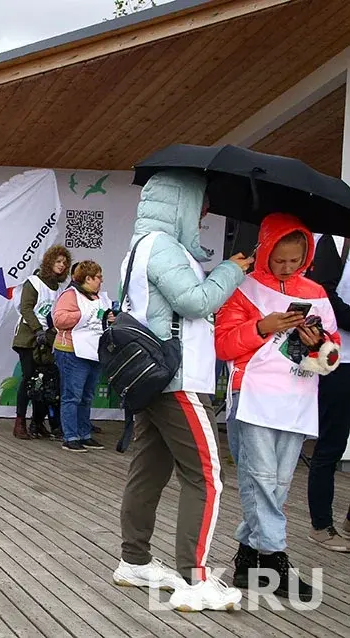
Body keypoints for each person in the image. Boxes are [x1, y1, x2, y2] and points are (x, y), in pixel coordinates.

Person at [111, 171, 252, 613]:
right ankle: (197, 578)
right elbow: (195, 302)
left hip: (153, 379)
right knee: (207, 476)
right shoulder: (164, 246)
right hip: (179, 379)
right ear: (181, 204)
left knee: (148, 469)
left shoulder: (139, 247)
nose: (205, 211)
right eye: (201, 203)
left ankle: (134, 560)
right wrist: (233, 269)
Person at [215, 214, 335, 602]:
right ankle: (275, 556)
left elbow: (331, 354)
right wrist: (263, 326)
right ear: (265, 251)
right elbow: (224, 346)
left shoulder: (316, 292)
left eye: (294, 261)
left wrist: (317, 340)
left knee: (277, 483)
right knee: (261, 479)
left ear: (305, 256)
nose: (286, 267)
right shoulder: (244, 288)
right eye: (280, 259)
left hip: (298, 398)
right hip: (252, 395)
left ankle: (248, 559)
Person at [307, 233, 350, 551]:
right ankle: (321, 524)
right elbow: (325, 297)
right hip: (337, 359)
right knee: (330, 445)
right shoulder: (333, 241)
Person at [11, 245, 70, 440]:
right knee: (29, 378)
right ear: (49, 262)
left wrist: (50, 333)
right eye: (58, 261)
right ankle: (20, 422)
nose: (61, 266)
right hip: (29, 337)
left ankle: (38, 421)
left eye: (64, 263)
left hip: (48, 339)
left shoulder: (60, 289)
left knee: (45, 381)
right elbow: (26, 309)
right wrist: (38, 330)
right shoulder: (34, 283)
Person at [52, 260, 112, 452]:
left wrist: (110, 317)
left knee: (87, 396)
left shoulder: (99, 298)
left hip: (93, 352)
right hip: (71, 351)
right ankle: (70, 436)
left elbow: (103, 319)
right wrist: (82, 315)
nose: (101, 281)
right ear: (88, 278)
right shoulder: (70, 295)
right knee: (72, 396)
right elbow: (58, 319)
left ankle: (85, 434)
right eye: (98, 277)